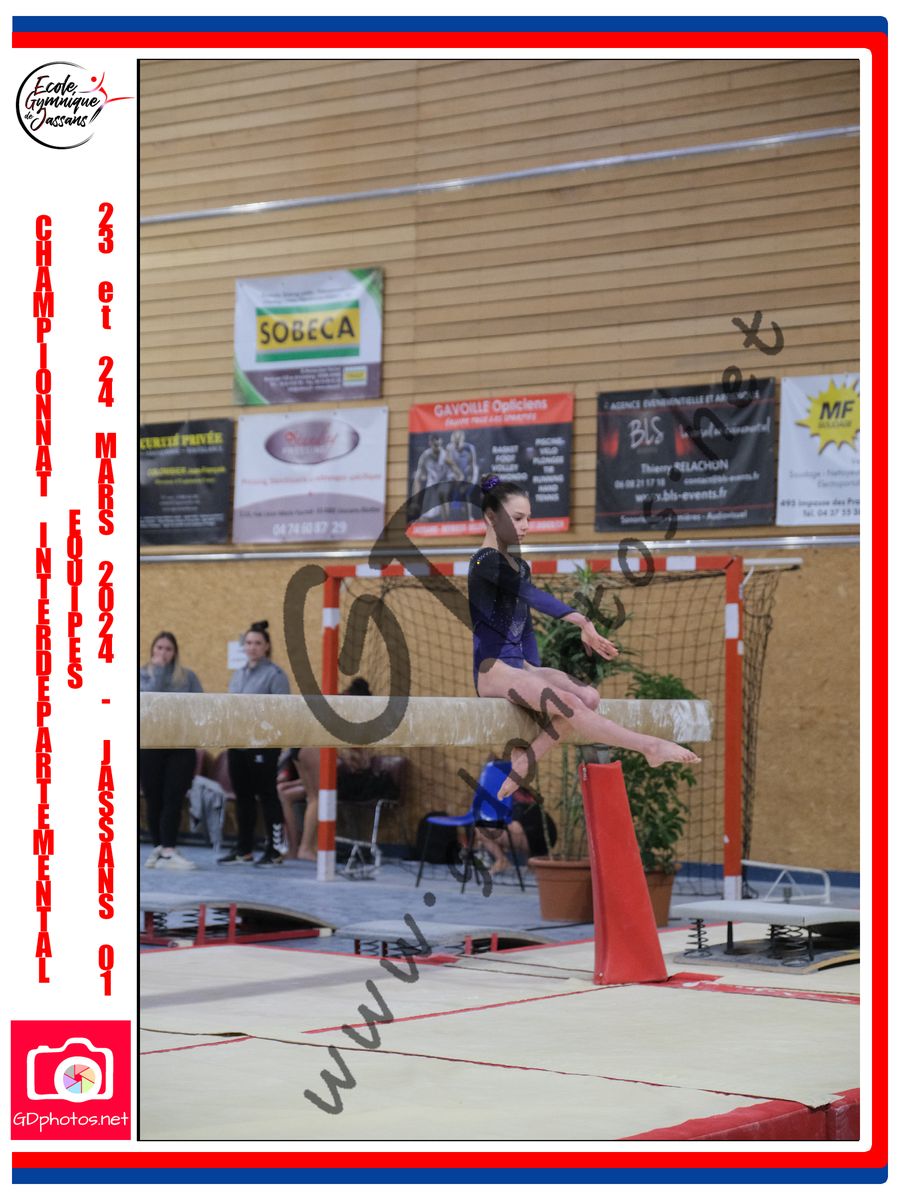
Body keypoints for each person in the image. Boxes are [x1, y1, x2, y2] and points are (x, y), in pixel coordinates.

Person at [468, 475, 700, 801]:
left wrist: (534, 672)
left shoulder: (519, 566)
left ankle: (525, 761)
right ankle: (649, 746)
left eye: (529, 518)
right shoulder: (484, 561)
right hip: (492, 669)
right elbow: (532, 596)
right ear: (491, 517)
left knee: (589, 697)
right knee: (569, 703)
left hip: (519, 666)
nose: (526, 526)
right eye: (518, 518)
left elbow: (525, 624)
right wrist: (581, 620)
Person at [219, 620, 291, 867]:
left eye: (257, 643)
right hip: (238, 744)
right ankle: (244, 849)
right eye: (248, 643)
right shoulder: (238, 674)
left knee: (268, 795)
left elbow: (283, 711)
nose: (252, 647)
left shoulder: (275, 675)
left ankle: (275, 850)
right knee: (243, 797)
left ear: (266, 646)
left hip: (263, 745)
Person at [293, 677, 382, 862]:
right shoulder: (351, 706)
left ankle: (304, 847)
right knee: (318, 798)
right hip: (312, 744)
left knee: (312, 798)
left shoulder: (339, 699)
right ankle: (306, 848)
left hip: (298, 744)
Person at [139, 632, 203, 870]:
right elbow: (149, 700)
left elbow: (201, 705)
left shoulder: (187, 677)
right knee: (153, 797)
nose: (163, 653)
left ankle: (169, 848)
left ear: (175, 652)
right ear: (152, 650)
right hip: (150, 744)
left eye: (168, 649)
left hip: (180, 745)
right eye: (159, 648)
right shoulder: (141, 675)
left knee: (173, 797)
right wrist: (158, 672)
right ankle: (159, 847)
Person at [471, 780, 558, 877]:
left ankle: (501, 860)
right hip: (549, 838)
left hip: (530, 836)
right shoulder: (522, 791)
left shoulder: (503, 794)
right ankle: (533, 862)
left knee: (481, 830)